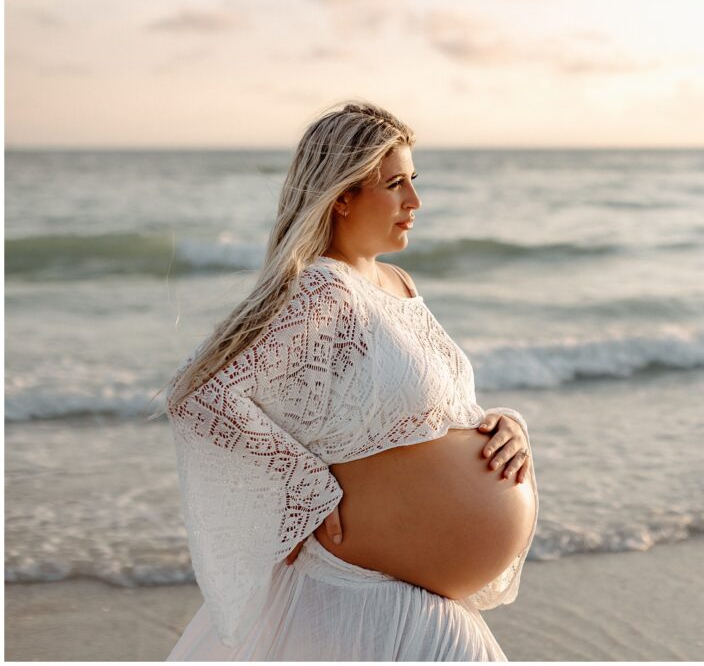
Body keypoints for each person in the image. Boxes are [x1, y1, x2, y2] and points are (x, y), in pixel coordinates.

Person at [161, 100, 539, 660]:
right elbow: (200, 398)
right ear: (341, 196)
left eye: (413, 180)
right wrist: (301, 486)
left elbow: (421, 415)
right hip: (363, 584)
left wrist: (504, 427)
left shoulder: (397, 282)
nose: (414, 201)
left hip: (407, 584)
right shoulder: (323, 289)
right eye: (393, 185)